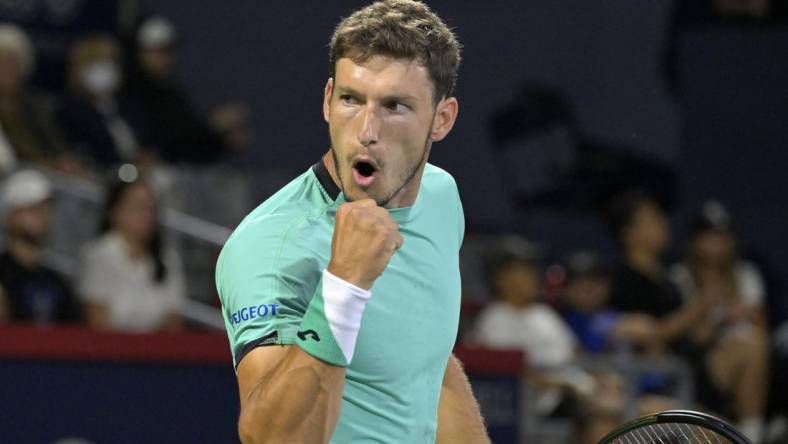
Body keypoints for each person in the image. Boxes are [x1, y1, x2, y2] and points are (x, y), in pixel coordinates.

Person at [215, 1, 489, 442]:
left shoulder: (441, 197)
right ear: (327, 101)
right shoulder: (270, 247)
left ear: (442, 118)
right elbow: (272, 438)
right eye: (350, 99)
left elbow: (432, 368)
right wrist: (345, 284)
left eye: (394, 106)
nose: (366, 130)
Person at [669, 201, 769, 441]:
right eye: (708, 236)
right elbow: (693, 341)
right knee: (750, 346)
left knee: (754, 344)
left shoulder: (746, 275)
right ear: (695, 240)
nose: (716, 244)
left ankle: (750, 433)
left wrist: (744, 315)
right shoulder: (679, 278)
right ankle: (747, 436)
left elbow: (762, 330)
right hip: (698, 368)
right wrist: (710, 311)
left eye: (721, 236)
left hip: (747, 368)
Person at [124, 16, 249, 164]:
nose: (165, 58)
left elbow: (189, 146)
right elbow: (161, 140)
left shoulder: (171, 92)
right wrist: (211, 124)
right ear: (140, 53)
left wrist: (221, 139)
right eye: (158, 52)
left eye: (168, 50)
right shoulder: (130, 93)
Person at [78, 179, 185, 332]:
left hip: (157, 352)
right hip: (109, 352)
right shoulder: (97, 255)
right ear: (114, 212)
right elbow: (96, 320)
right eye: (137, 207)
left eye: (150, 208)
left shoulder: (168, 259)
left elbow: (174, 321)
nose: (145, 215)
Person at [58, 34, 151, 170]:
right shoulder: (70, 111)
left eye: (110, 62)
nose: (104, 69)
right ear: (79, 68)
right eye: (95, 62)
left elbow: (145, 144)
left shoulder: (129, 107)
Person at [0, 170, 81, 324]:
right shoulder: (3, 273)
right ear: (9, 216)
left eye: (45, 208)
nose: (42, 214)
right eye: (32, 208)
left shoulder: (56, 281)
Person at [0, 24, 76, 173]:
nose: (10, 70)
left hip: (56, 177)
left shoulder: (36, 105)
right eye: (2, 64)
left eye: (14, 63)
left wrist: (64, 161)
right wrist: (48, 165)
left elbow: (57, 146)